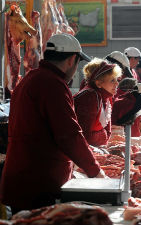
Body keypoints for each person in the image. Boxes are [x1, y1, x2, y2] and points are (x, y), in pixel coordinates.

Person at [0, 34, 106, 213]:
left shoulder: (31, 78)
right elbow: (69, 134)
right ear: (72, 59)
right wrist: (95, 171)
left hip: (23, 177)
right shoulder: (52, 84)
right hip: (39, 181)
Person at [73, 58, 122, 147]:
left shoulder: (107, 96)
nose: (117, 84)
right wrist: (102, 134)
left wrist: (102, 135)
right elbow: (85, 136)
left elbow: (108, 132)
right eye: (112, 80)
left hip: (92, 148)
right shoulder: (89, 96)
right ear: (98, 83)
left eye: (117, 80)